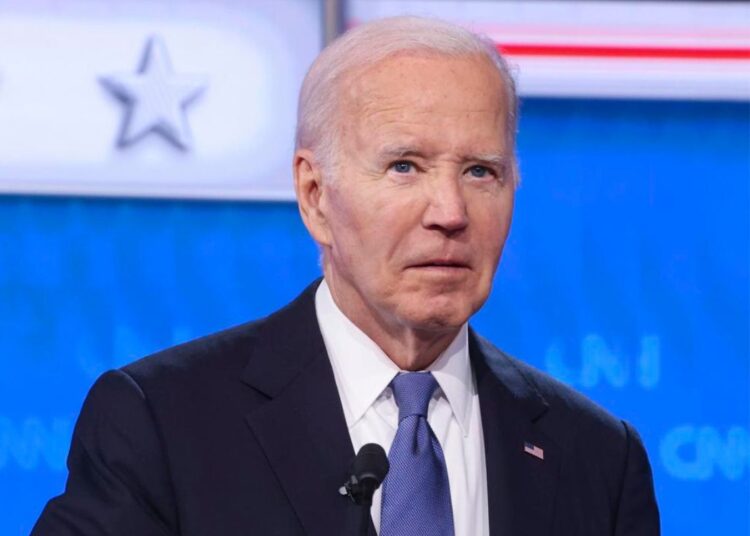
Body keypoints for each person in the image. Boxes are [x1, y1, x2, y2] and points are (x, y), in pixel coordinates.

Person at [32, 16, 660, 536]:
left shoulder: (599, 456)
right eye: (405, 166)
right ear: (314, 195)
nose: (450, 214)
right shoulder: (161, 425)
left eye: (480, 172)